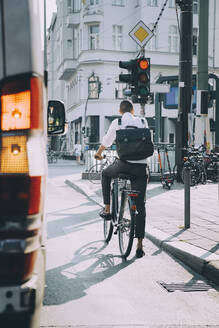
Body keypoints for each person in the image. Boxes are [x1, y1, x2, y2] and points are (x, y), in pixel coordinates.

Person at [94, 100, 149, 258]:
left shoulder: (117, 122)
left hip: (123, 165)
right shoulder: (143, 121)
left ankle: (107, 209)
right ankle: (139, 245)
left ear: (120, 111)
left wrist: (98, 153)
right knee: (140, 205)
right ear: (133, 110)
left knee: (105, 174)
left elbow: (107, 141)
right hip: (140, 168)